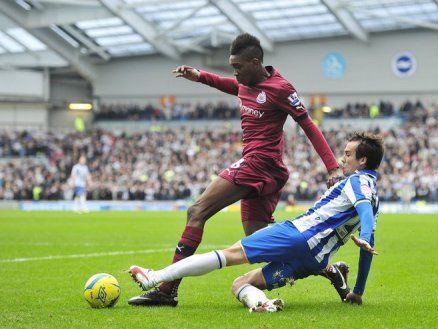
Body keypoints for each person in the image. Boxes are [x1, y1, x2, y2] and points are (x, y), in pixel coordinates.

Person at [128, 33, 343, 306]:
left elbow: (308, 125)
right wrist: (200, 76)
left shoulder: (281, 88)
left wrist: (333, 167)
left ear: (256, 62)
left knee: (197, 211)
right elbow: (230, 85)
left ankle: (167, 289)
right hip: (266, 170)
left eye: (238, 66)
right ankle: (327, 268)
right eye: (233, 67)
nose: (235, 72)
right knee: (259, 241)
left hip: (259, 164)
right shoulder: (245, 83)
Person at [129, 132, 383, 311]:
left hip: (297, 235)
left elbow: (365, 216)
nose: (342, 159)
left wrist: (367, 228)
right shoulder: (376, 197)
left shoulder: (357, 181)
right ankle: (263, 304)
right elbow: (367, 245)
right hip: (313, 260)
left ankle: (155, 278)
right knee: (240, 284)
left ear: (363, 161)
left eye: (348, 154)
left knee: (229, 254)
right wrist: (357, 292)